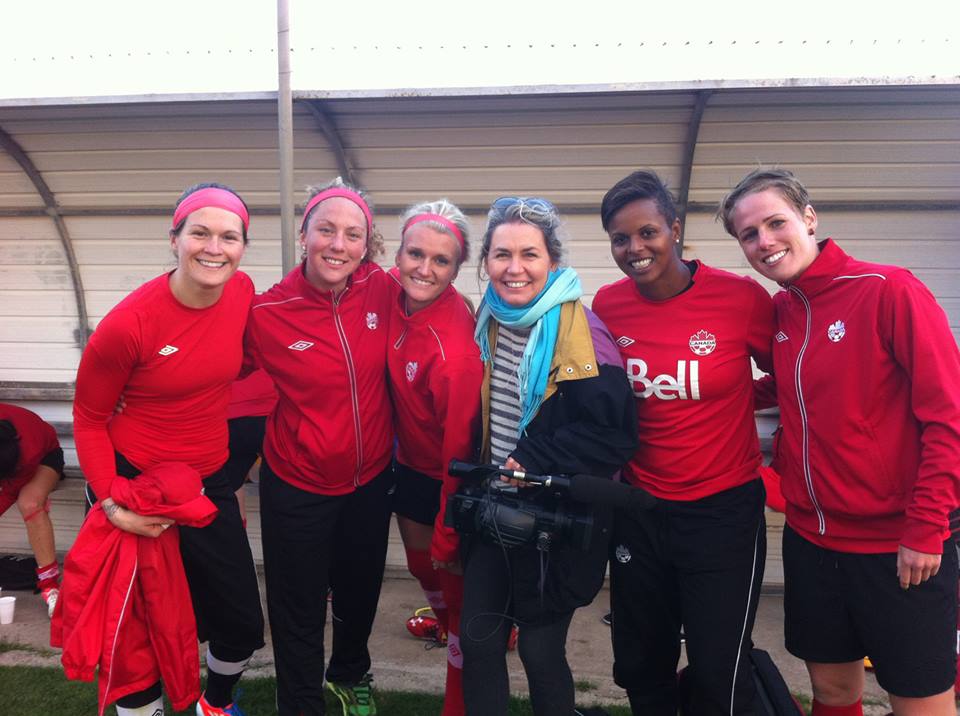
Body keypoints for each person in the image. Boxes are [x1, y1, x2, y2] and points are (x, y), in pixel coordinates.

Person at [720, 168, 960, 716]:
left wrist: (927, 526)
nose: (764, 242)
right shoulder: (783, 311)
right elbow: (789, 385)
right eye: (748, 235)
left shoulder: (888, 290)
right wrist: (697, 393)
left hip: (899, 548)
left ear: (809, 217)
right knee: (831, 694)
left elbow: (949, 416)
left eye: (775, 222)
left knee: (921, 704)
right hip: (812, 542)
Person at [72, 182, 264, 716]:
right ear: (174, 238)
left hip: (208, 480)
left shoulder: (242, 291)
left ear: (243, 247)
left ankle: (214, 705)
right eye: (199, 232)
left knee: (240, 622)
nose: (213, 247)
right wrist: (112, 504)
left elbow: (233, 363)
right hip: (133, 485)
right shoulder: (128, 326)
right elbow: (88, 419)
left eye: (229, 236)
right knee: (135, 634)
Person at [592, 170, 775, 715]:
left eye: (647, 232)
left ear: (674, 229)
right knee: (641, 662)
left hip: (722, 512)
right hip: (640, 509)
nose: (634, 249)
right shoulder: (608, 304)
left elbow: (793, 375)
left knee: (720, 667)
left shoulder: (740, 298)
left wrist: (741, 392)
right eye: (620, 239)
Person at [458, 196, 637, 716]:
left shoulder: (585, 334)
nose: (515, 268)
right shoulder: (487, 319)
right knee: (479, 642)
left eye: (529, 254)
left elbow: (614, 436)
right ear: (486, 261)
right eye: (501, 254)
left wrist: (532, 456)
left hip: (558, 520)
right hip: (494, 509)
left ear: (553, 261)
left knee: (539, 649)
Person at [243, 178, 394, 716]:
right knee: (298, 607)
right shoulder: (266, 313)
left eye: (353, 234)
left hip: (370, 481)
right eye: (326, 229)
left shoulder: (385, 288)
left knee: (359, 595)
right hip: (297, 485)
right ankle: (301, 703)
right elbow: (209, 370)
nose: (338, 244)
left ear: (368, 244)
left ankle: (349, 673)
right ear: (304, 233)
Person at [387, 199, 483, 716]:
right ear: (397, 253)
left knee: (454, 584)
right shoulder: (390, 293)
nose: (424, 268)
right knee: (424, 569)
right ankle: (447, 620)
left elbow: (461, 452)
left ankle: (457, 698)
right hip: (405, 464)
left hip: (447, 477)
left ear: (456, 267)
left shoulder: (454, 352)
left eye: (441, 261)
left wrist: (450, 522)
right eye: (415, 253)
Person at [0, 403, 64, 617]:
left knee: (30, 503)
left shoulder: (29, 448)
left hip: (46, 458)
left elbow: (10, 492)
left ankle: (50, 586)